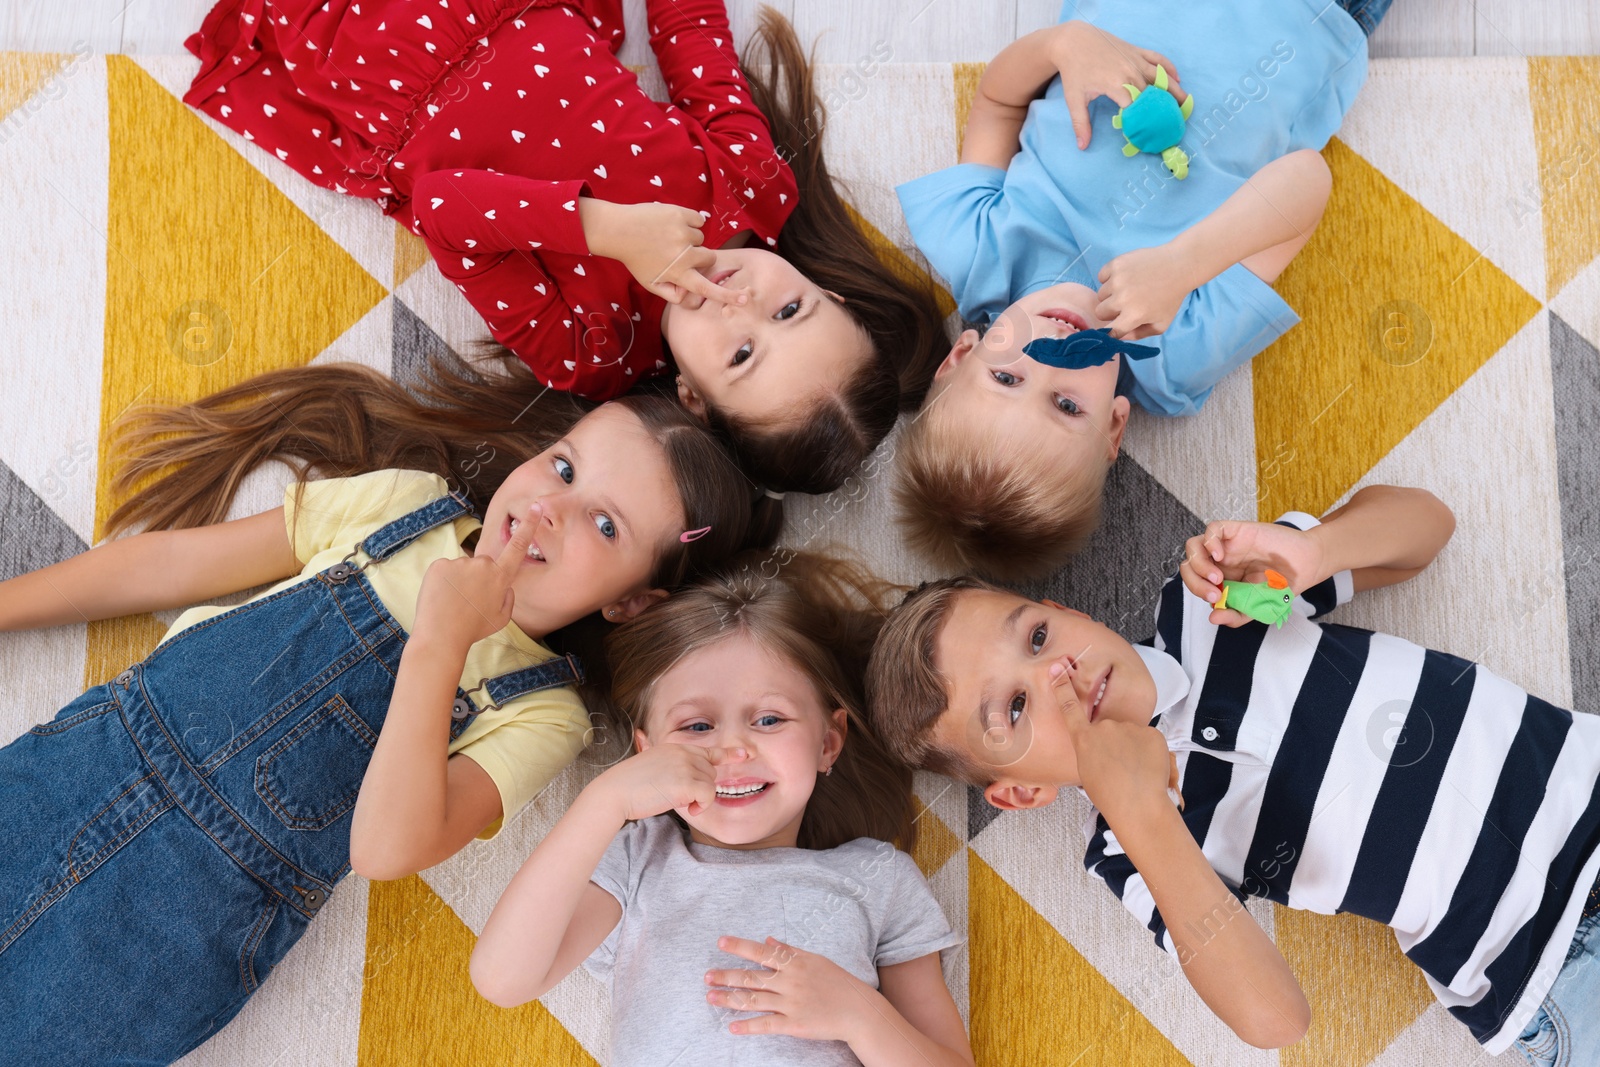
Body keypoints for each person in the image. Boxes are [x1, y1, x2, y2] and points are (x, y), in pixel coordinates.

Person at [0, 353, 774, 1065]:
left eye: (605, 526)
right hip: (86, 759)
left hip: (187, 924)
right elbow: (170, 565)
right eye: (562, 467)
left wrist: (439, 643)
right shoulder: (408, 508)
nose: (548, 511)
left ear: (633, 600)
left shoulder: (543, 715)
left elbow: (384, 847)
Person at [865, 483, 1600, 1062]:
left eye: (1035, 635)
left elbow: (1428, 525)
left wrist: (1315, 550)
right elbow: (1276, 1018)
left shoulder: (1211, 606)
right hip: (1541, 958)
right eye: (1016, 706)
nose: (1057, 670)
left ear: (1063, 608)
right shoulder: (1131, 849)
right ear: (1021, 793)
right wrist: (1145, 815)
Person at [181, 0, 950, 493]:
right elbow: (690, 39)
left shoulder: (588, 350)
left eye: (742, 355)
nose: (744, 303)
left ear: (692, 397)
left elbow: (442, 205)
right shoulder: (752, 188)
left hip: (378, 69)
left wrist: (610, 229)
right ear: (829, 291)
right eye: (791, 309)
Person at [892, 0, 1386, 579]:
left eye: (1007, 377)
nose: (1052, 355)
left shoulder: (975, 251)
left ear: (960, 356)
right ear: (1113, 426)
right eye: (1067, 405)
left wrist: (1063, 45)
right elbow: (1308, 179)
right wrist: (1184, 266)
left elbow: (997, 103)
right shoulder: (1173, 357)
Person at [472, 553, 974, 1066]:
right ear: (647, 754)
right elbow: (503, 979)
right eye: (697, 727)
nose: (732, 750)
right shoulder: (637, 861)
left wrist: (860, 1013)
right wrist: (606, 800)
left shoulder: (878, 877)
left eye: (770, 719)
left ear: (828, 743)